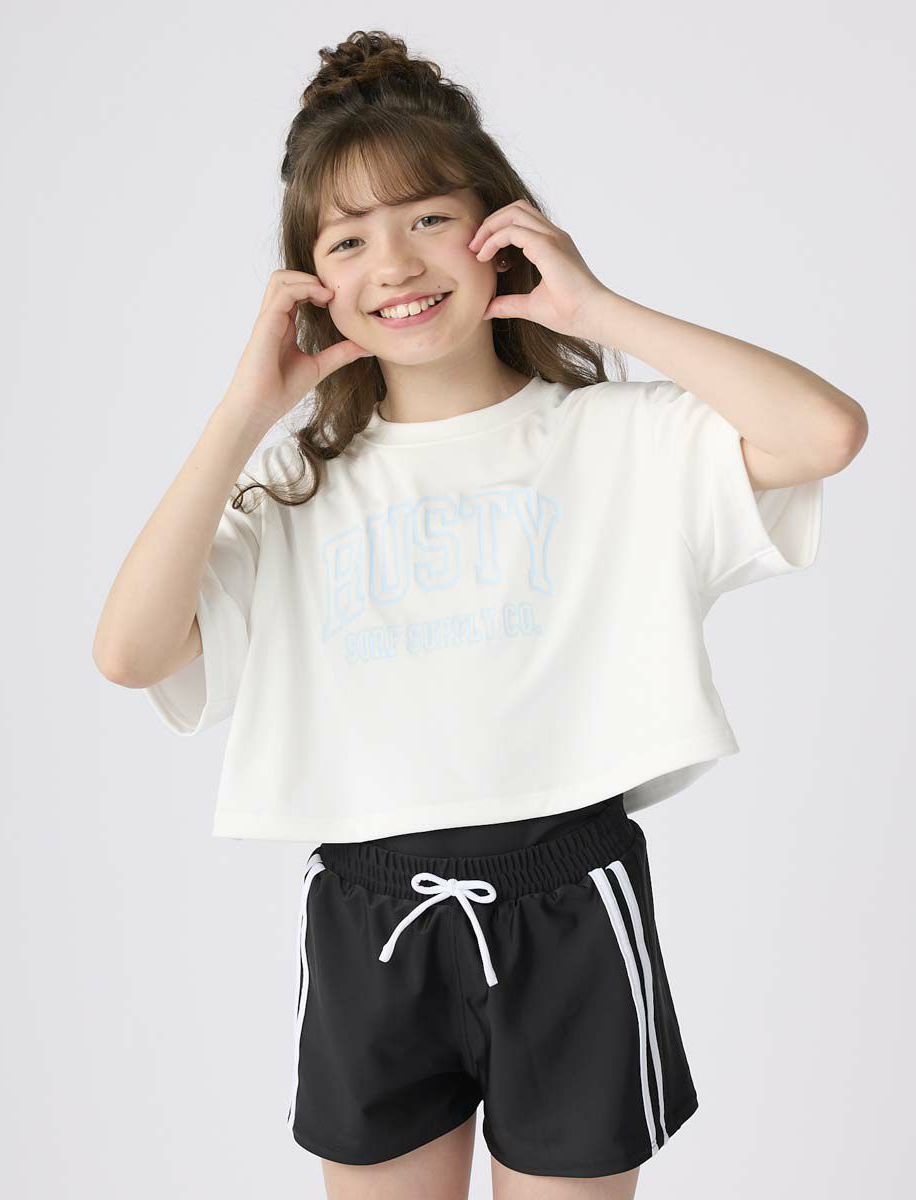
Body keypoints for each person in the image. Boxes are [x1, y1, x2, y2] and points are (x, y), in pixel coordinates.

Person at [92, 28, 868, 1200]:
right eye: (348, 240)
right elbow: (128, 652)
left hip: (568, 893)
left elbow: (827, 434)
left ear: (497, 228)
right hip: (370, 913)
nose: (395, 263)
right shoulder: (295, 487)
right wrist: (243, 413)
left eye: (425, 218)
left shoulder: (617, 441)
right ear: (311, 285)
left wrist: (601, 310)